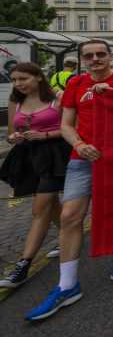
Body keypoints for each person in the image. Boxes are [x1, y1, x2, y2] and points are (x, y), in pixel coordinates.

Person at [26, 39, 113, 321]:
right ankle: (67, 285)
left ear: (111, 56)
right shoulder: (76, 85)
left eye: (100, 54)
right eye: (89, 56)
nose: (95, 59)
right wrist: (79, 145)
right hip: (84, 158)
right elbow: (66, 125)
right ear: (81, 59)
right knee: (69, 216)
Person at [0, 63, 69, 289]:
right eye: (15, 80)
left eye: (23, 79)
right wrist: (14, 138)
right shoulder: (15, 101)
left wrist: (45, 134)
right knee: (50, 204)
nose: (19, 84)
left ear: (38, 77)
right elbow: (11, 132)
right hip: (27, 157)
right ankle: (66, 237)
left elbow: (71, 128)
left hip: (54, 156)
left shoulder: (57, 97)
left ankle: (23, 264)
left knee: (40, 209)